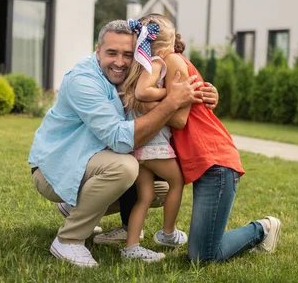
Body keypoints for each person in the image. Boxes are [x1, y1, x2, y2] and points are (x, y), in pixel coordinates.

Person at [28, 20, 217, 268]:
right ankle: (69, 239)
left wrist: (205, 93)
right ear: (97, 51)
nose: (119, 62)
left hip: (87, 160)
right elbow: (119, 139)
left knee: (157, 190)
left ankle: (78, 207)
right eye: (111, 53)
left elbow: (157, 93)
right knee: (126, 167)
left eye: (127, 54)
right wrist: (172, 101)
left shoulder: (130, 73)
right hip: (55, 169)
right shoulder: (83, 81)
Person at [96, 14, 282, 263]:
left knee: (203, 257)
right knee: (148, 190)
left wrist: (142, 103)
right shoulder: (151, 64)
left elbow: (180, 119)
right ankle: (146, 234)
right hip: (186, 157)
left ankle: (263, 228)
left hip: (213, 162)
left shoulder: (171, 61)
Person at [117, 17, 187, 262]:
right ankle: (168, 233)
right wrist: (172, 93)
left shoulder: (138, 63)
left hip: (137, 144)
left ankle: (131, 247)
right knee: (176, 182)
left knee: (144, 196)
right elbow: (142, 92)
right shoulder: (156, 62)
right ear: (169, 46)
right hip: (153, 143)